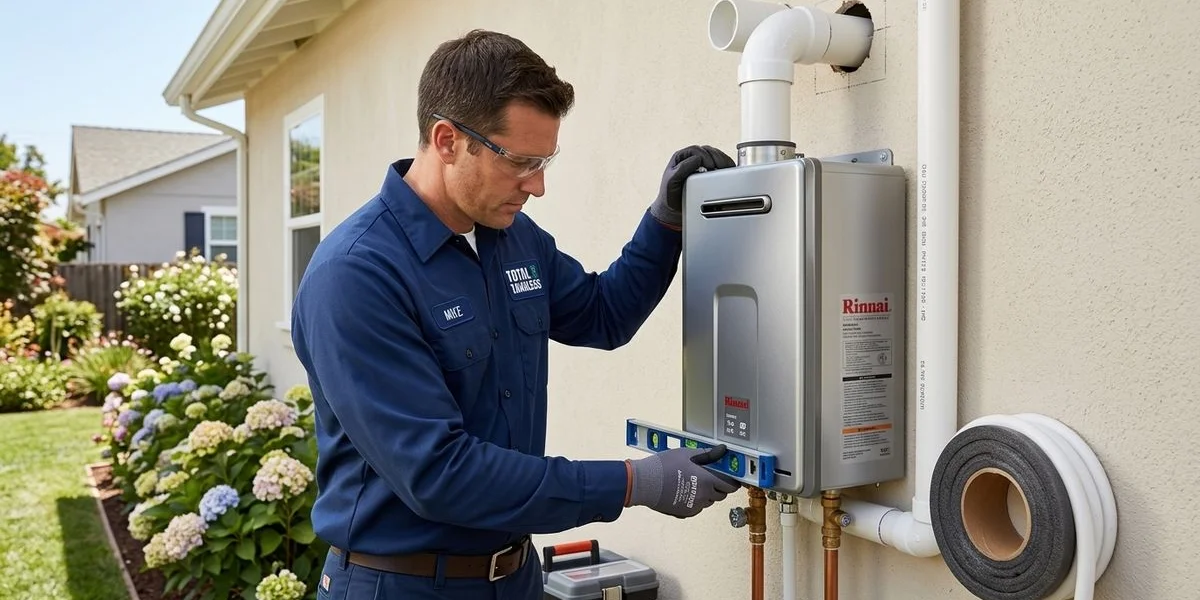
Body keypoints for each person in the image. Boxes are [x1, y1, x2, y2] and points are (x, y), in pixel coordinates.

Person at [290, 28, 740, 599]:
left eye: (546, 160)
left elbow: (604, 315)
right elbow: (439, 473)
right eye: (521, 162)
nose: (539, 186)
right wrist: (633, 483)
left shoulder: (511, 237)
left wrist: (666, 222)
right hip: (401, 585)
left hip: (516, 578)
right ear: (448, 140)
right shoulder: (357, 275)